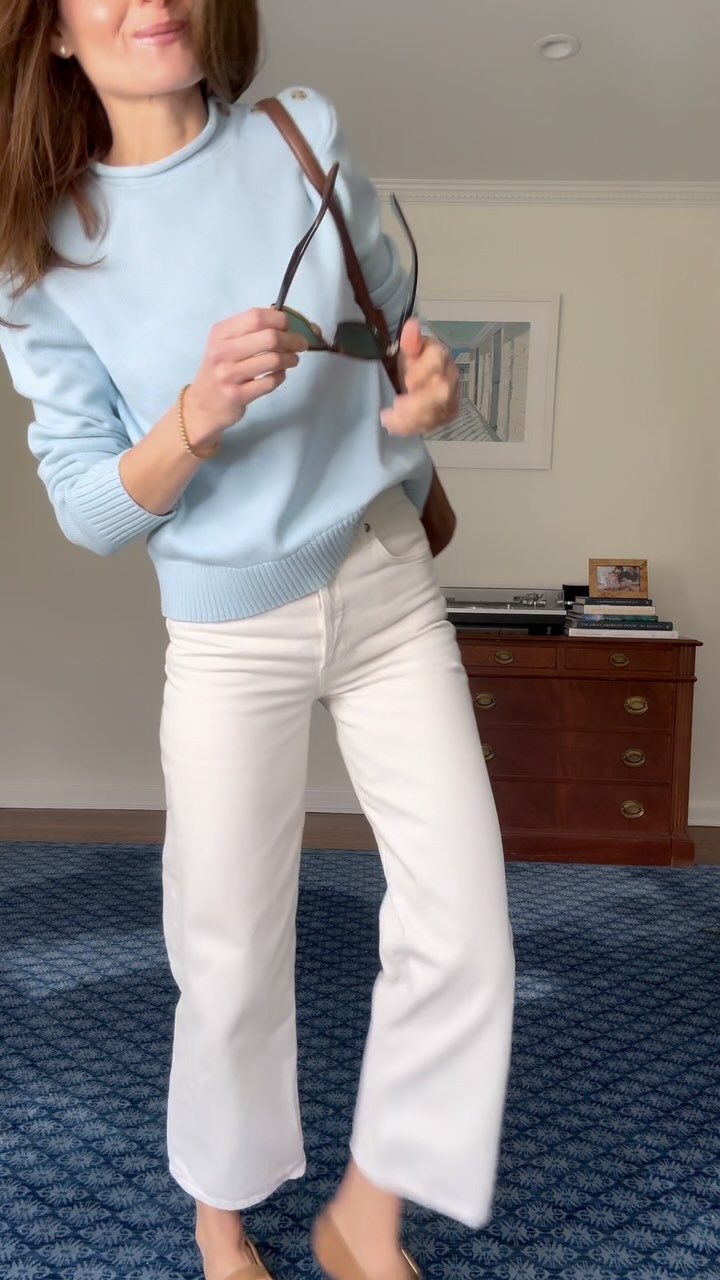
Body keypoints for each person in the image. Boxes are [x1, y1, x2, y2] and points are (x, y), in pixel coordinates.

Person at [0, 4, 515, 1279]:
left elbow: (401, 335)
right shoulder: (39, 255)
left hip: (388, 586)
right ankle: (221, 1219)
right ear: (52, 32)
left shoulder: (302, 138)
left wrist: (430, 392)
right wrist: (193, 413)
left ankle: (366, 1213)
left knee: (466, 925)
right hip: (229, 634)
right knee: (228, 955)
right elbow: (90, 510)